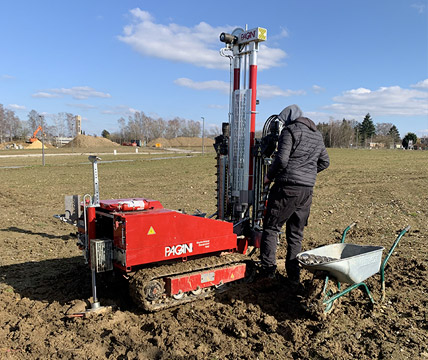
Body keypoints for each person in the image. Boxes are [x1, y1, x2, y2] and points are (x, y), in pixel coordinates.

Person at [259, 104, 330, 285]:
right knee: (295, 234)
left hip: (287, 188)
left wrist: (269, 176)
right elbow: (325, 162)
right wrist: (307, 175)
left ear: (287, 120)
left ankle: (268, 272)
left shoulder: (290, 131)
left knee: (271, 227)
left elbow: (281, 160)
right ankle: (293, 277)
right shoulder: (317, 135)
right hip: (307, 191)